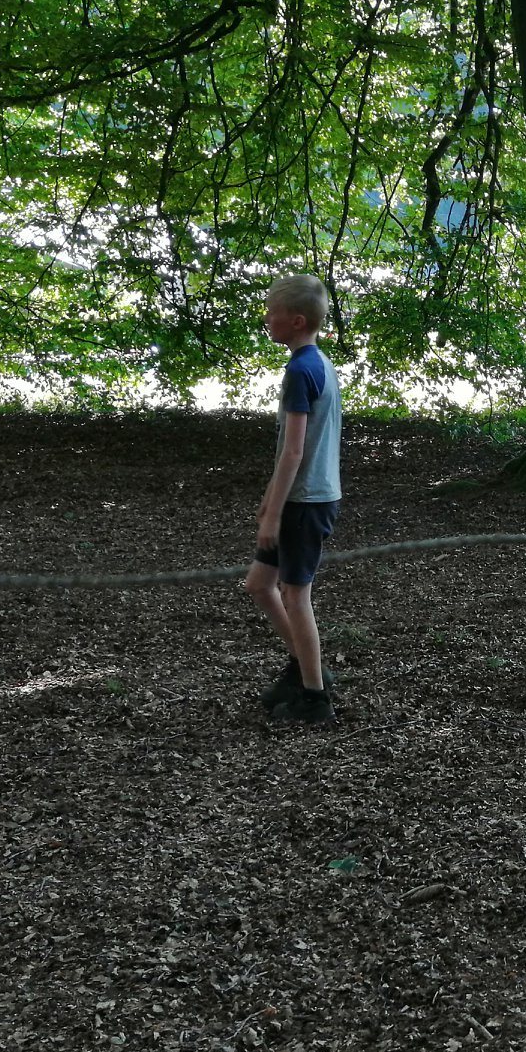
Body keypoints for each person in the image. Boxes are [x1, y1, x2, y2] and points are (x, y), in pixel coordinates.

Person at [245, 273, 342, 726]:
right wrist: (268, 504)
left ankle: (314, 697)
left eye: (272, 311)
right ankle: (305, 667)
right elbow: (289, 450)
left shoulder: (302, 369)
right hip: (299, 500)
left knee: (294, 594)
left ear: (296, 320)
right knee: (259, 586)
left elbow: (294, 451)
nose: (267, 318)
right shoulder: (316, 361)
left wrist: (274, 513)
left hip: (306, 503)